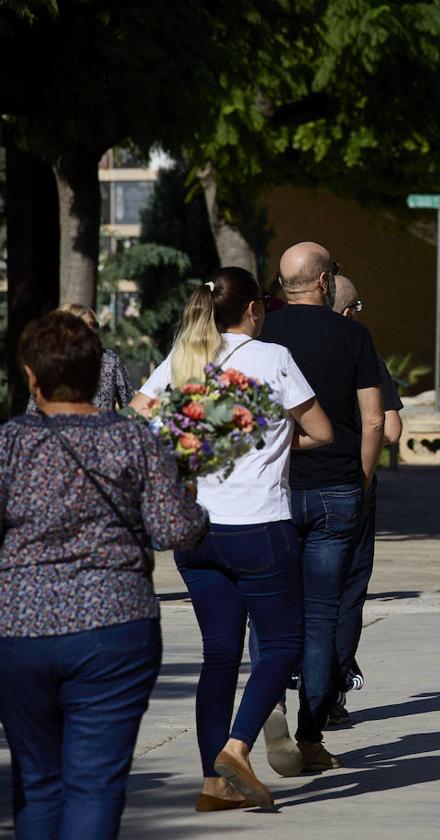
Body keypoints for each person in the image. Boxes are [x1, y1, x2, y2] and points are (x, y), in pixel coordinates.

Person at [0, 312, 208, 838]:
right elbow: (176, 529)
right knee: (94, 784)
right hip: (114, 627)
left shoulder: (8, 444)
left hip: (21, 628)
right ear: (100, 373)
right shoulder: (133, 440)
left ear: (31, 376)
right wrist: (192, 493)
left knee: (39, 783)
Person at [131, 268, 333, 807]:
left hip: (197, 529)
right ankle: (238, 748)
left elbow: (137, 423)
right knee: (283, 644)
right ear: (253, 310)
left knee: (219, 654)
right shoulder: (271, 358)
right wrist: (273, 447)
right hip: (258, 523)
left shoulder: (181, 358)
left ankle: (213, 784)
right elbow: (322, 431)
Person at [257, 241, 385, 770]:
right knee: (320, 616)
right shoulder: (353, 335)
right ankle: (311, 737)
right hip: (336, 488)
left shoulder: (261, 334)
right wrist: (361, 477)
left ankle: (267, 702)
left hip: (273, 488)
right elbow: (375, 420)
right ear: (326, 281)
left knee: (267, 611)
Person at [328, 276, 404, 726]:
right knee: (346, 592)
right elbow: (389, 429)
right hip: (351, 483)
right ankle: (332, 688)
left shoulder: (282, 347)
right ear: (349, 309)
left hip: (292, 484)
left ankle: (281, 683)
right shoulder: (364, 352)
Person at [25, 304, 133, 414]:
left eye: (94, 325)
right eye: (84, 327)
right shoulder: (52, 362)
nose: (91, 331)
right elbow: (33, 410)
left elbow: (130, 406)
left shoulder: (110, 360)